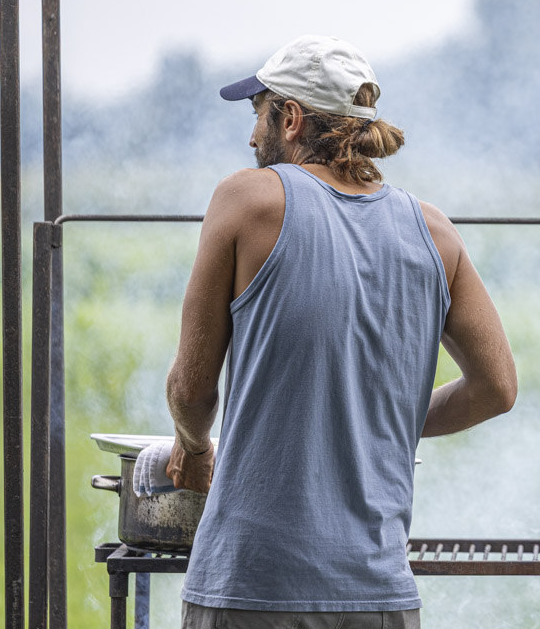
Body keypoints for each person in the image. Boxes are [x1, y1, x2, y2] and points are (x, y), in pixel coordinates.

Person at [163, 35, 517, 628]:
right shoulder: (435, 231)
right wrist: (377, 415)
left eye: (258, 115)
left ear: (292, 119)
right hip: (380, 595)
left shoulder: (245, 199)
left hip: (254, 587)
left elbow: (193, 389)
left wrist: (194, 447)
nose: (253, 137)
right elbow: (497, 388)